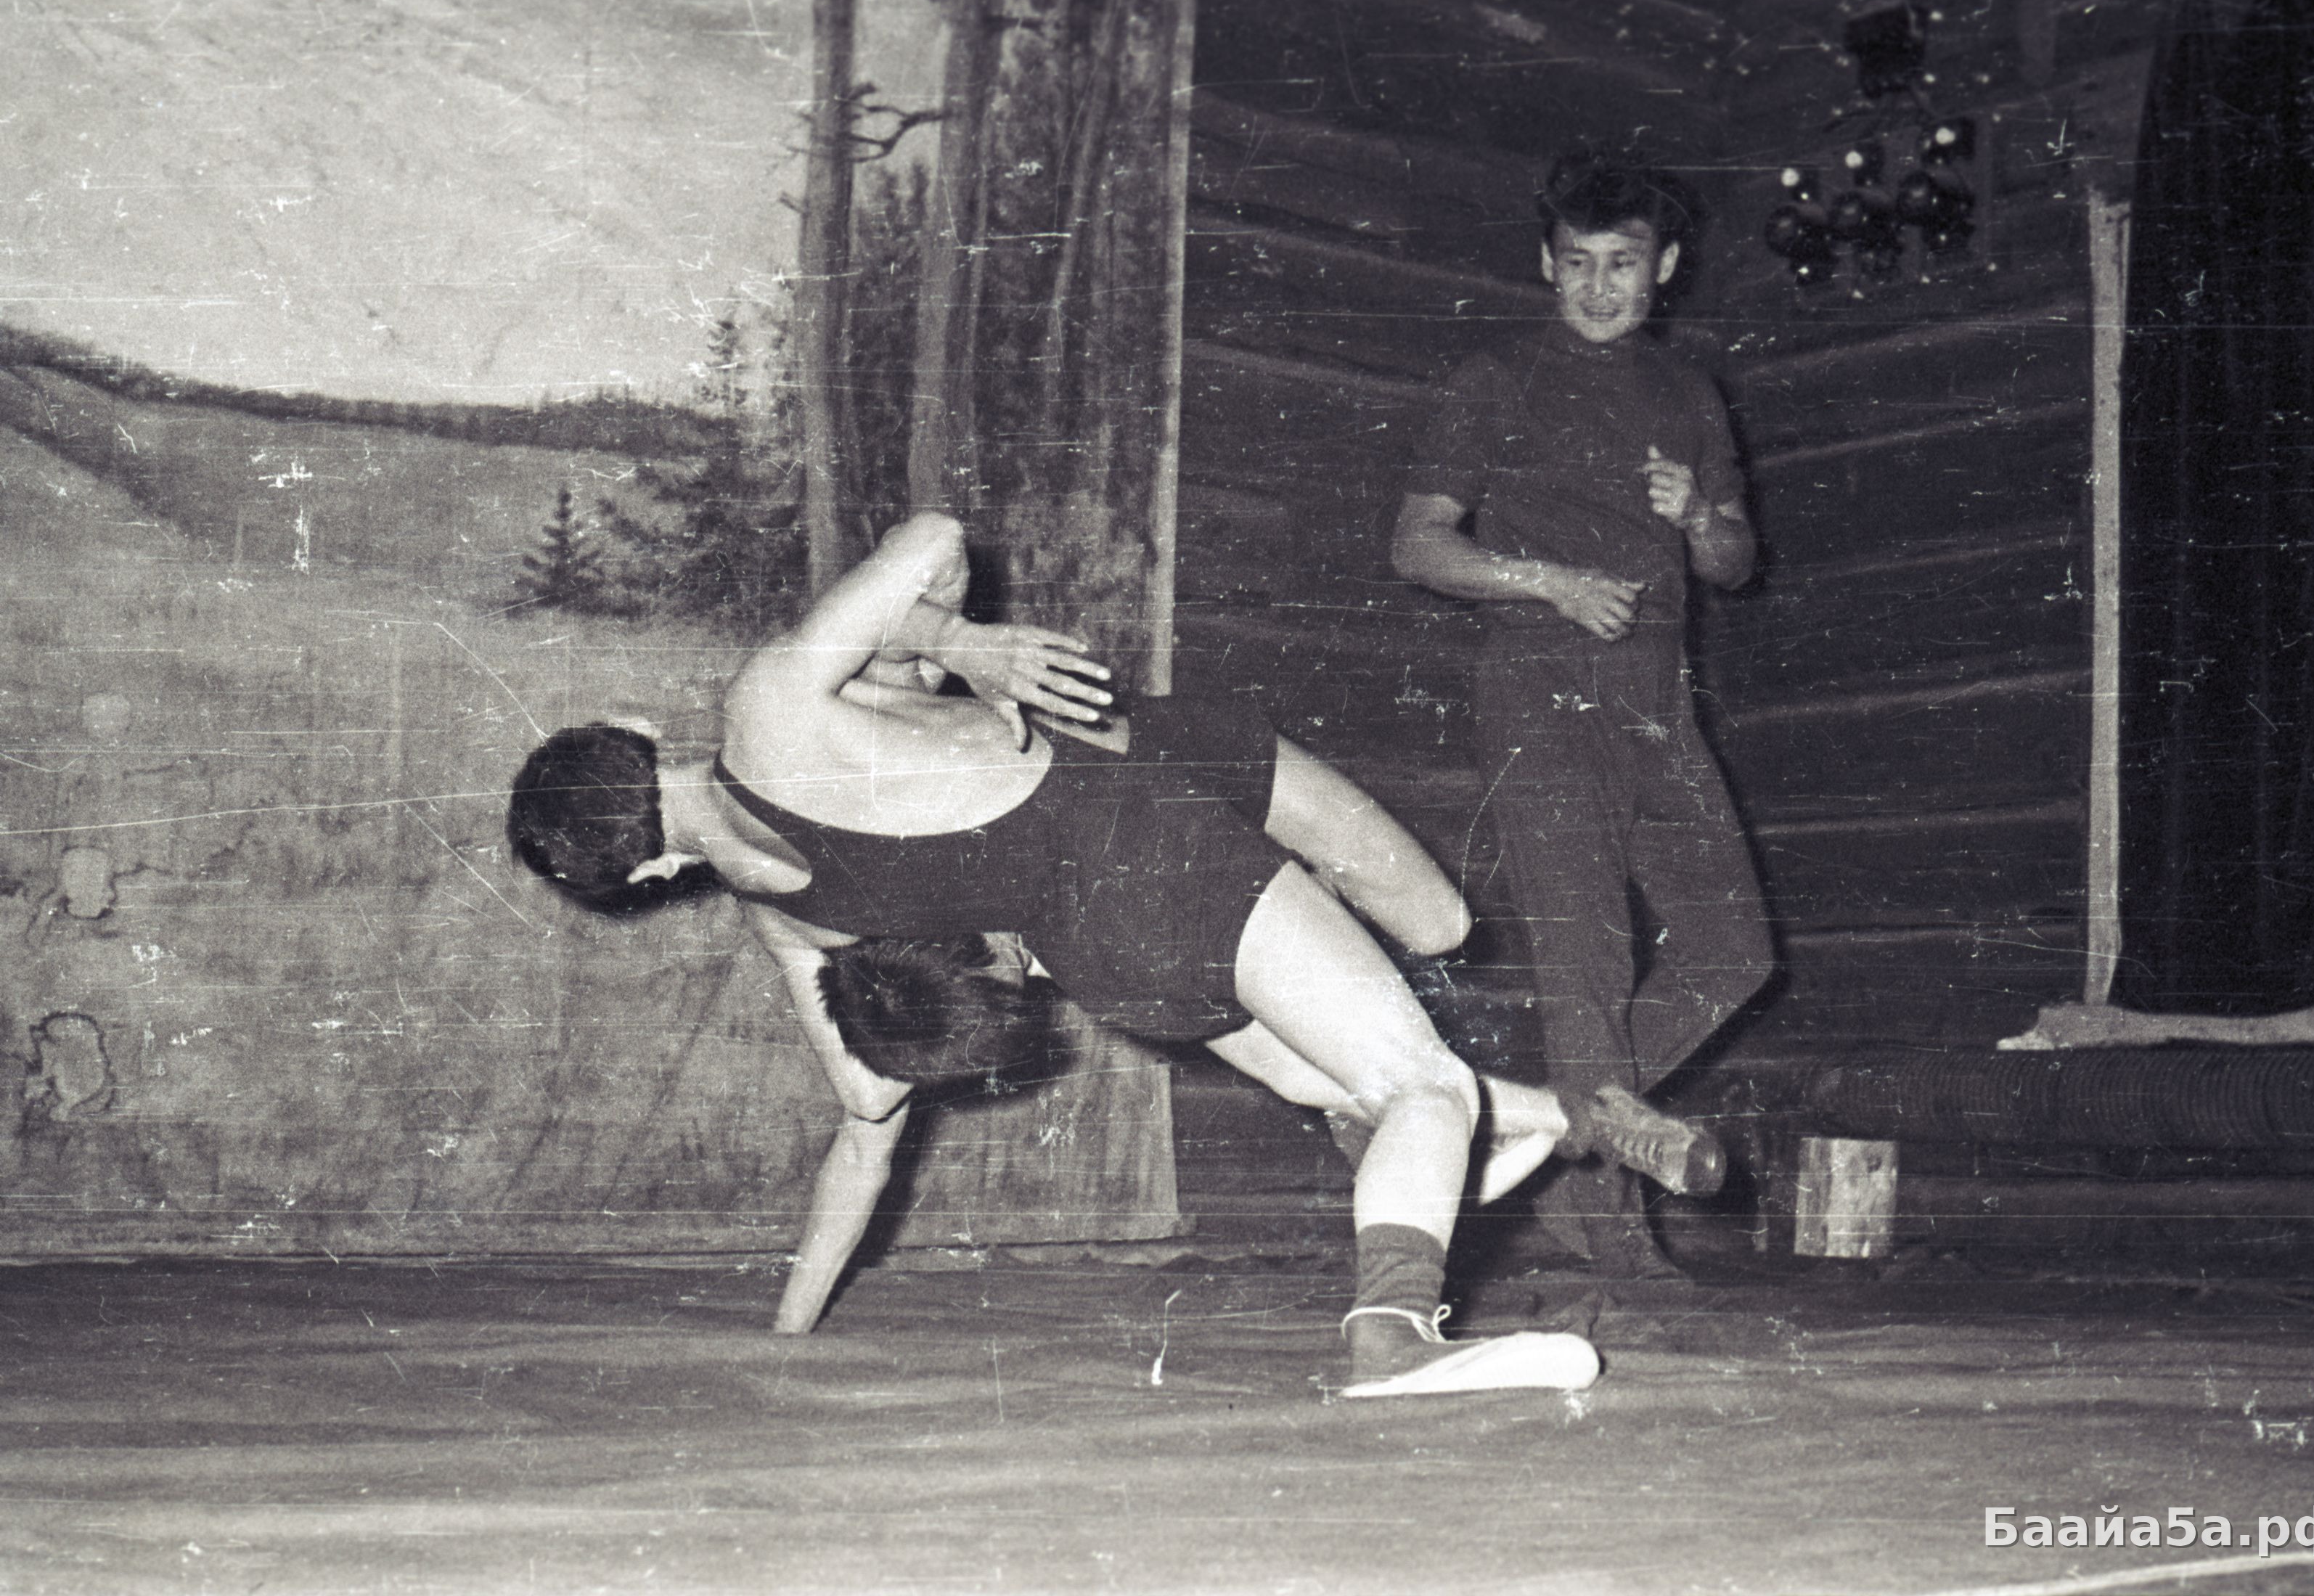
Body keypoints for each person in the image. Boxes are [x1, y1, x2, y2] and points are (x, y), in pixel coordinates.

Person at [507, 510, 1599, 1398]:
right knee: (1422, 1081)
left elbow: (867, 1115)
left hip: (1099, 956)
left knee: (1388, 1030)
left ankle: (1493, 1135)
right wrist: (959, 642)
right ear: (633, 731)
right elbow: (934, 537)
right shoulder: (766, 709)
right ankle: (1393, 1334)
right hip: (1147, 843)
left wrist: (788, 1333)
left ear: (645, 875)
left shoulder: (789, 920)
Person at [1390, 151, 1774, 1275]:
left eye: (1623, 263)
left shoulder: (1690, 393)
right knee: (1587, 966)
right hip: (1541, 692)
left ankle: (1553, 1131)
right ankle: (1613, 1250)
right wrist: (1547, 583)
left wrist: (1699, 515)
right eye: (1578, 263)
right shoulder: (1497, 379)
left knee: (1734, 950)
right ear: (1545, 264)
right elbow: (1417, 543)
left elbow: (1736, 562)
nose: (1600, 287)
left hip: (1658, 700)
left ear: (1666, 266)